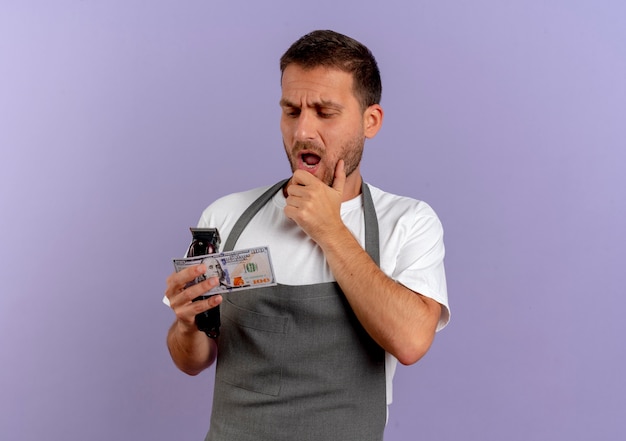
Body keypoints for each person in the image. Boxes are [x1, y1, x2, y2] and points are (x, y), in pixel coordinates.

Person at [165, 29, 450, 441]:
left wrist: (330, 230)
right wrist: (187, 326)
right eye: (291, 111)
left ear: (370, 121)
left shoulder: (408, 221)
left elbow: (410, 342)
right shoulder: (226, 216)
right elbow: (192, 360)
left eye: (324, 111)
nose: (302, 132)